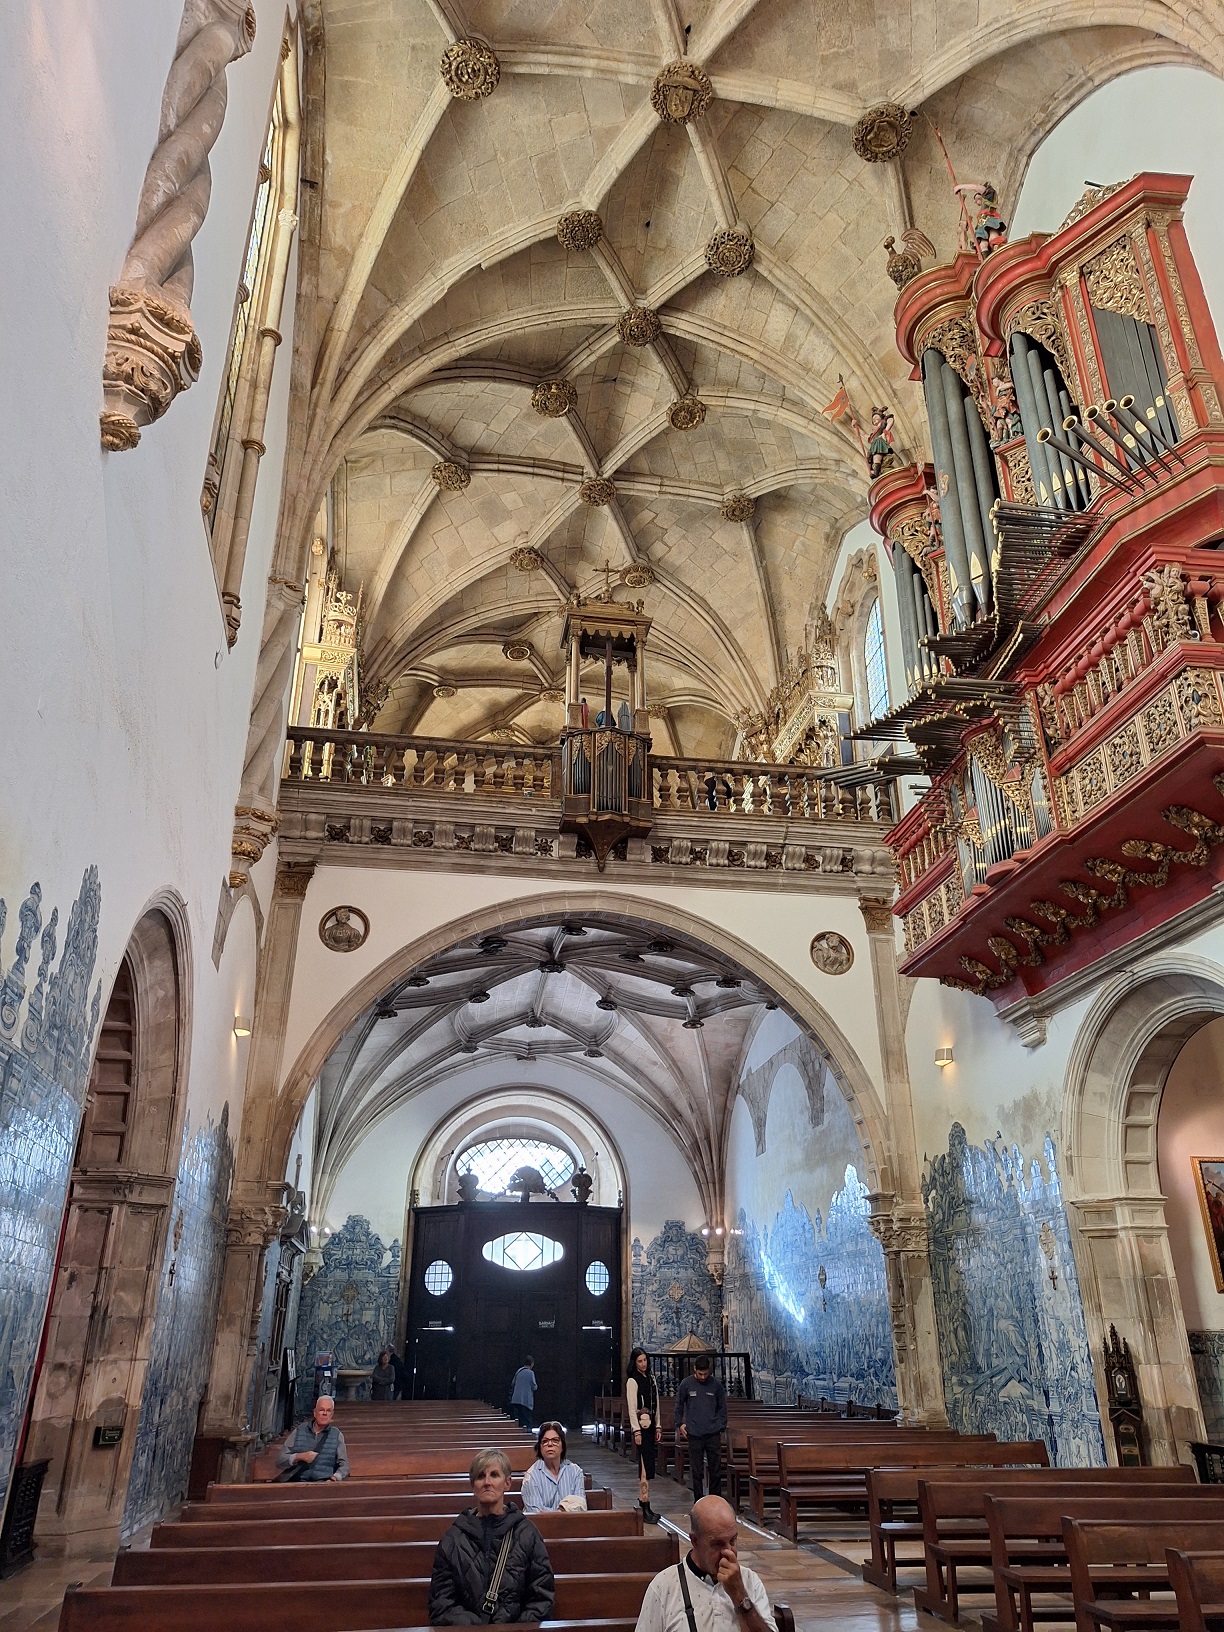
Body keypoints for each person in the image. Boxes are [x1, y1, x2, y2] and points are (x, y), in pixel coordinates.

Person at [428, 1448, 555, 1624]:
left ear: (507, 1483)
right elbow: (441, 1604)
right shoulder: (453, 1538)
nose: (487, 1482)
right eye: (480, 1476)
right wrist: (477, 1627)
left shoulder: (526, 1533)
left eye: (494, 1475)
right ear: (473, 1485)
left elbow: (541, 1598)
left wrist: (512, 1629)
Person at [634, 1495, 772, 1632]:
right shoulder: (664, 1587)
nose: (729, 1553)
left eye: (732, 1541)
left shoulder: (750, 1581)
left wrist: (740, 1596)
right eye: (717, 1544)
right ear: (695, 1541)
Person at [675, 1355, 727, 1501]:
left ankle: (715, 1500)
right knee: (697, 1471)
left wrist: (720, 1426)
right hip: (694, 1434)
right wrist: (679, 1424)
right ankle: (698, 1501)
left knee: (715, 1470)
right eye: (700, 1374)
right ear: (694, 1370)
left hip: (712, 1434)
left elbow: (722, 1408)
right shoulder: (686, 1384)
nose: (703, 1377)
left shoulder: (716, 1385)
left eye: (705, 1374)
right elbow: (679, 1405)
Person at [275, 1392, 349, 1481]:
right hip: (298, 1483)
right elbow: (280, 1460)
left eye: (328, 1411)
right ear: (315, 1413)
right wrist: (299, 1456)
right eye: (321, 1410)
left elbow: (344, 1465)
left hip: (324, 1484)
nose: (325, 1413)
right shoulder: (299, 1430)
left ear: (331, 1415)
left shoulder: (337, 1434)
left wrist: (335, 1478)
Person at [625, 1347, 661, 1525]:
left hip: (651, 1426)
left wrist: (658, 1425)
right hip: (641, 1427)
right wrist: (636, 1430)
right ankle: (643, 1503)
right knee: (644, 1467)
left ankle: (647, 1504)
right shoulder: (633, 1381)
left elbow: (656, 1403)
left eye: (645, 1360)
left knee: (649, 1465)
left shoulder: (651, 1378)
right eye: (640, 1361)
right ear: (635, 1363)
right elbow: (632, 1408)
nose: (643, 1364)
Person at [520, 1421, 586, 1513]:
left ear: (562, 1446)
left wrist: (558, 1512)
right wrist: (564, 1510)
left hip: (572, 1521)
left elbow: (580, 1505)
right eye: (545, 1441)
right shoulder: (531, 1476)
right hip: (541, 1523)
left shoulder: (575, 1471)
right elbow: (536, 1512)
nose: (550, 1444)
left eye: (555, 1440)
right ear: (540, 1447)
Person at [509, 1356, 537, 1429]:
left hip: (516, 1399)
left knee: (519, 1420)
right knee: (527, 1420)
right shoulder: (530, 1373)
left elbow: (513, 1383)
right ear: (531, 1364)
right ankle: (528, 1433)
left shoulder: (518, 1371)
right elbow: (534, 1386)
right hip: (525, 1400)